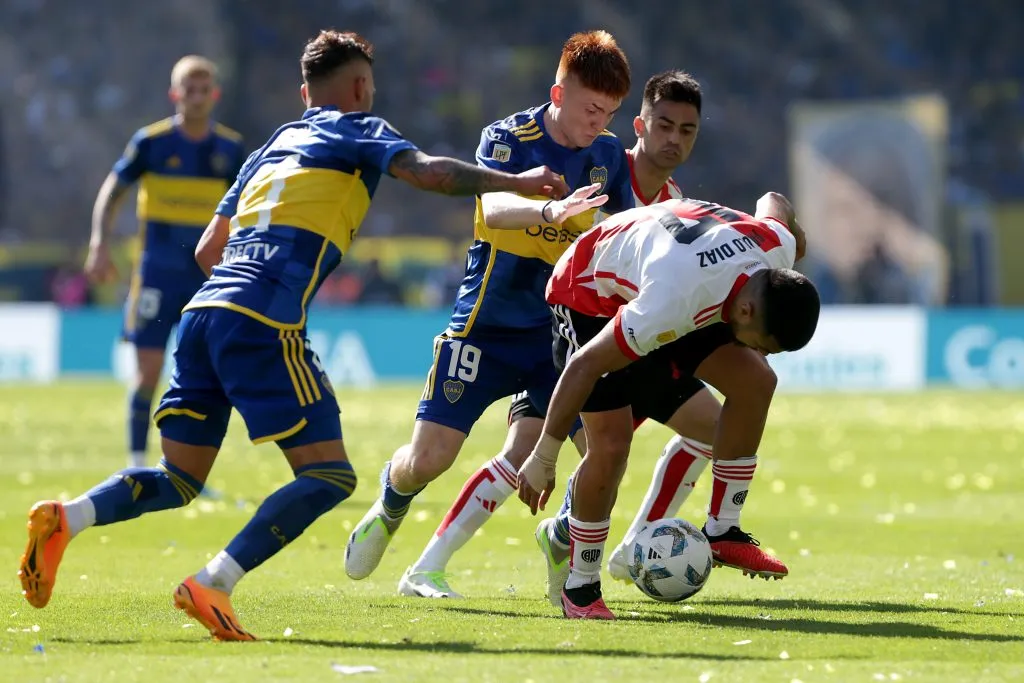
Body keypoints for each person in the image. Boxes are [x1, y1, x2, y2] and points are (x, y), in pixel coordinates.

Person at [17, 30, 567, 642]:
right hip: (262, 317)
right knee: (330, 475)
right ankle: (213, 582)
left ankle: (68, 515)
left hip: (203, 312)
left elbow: (207, 249)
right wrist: (518, 183)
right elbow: (431, 174)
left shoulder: (275, 144)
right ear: (361, 88)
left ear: (306, 92)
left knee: (178, 477)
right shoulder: (359, 127)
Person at [395, 69, 729, 601]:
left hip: (615, 341)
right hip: (559, 331)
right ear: (638, 128)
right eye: (664, 126)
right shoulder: (599, 163)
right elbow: (510, 212)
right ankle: (436, 565)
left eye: (686, 131)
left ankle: (588, 542)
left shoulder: (671, 201)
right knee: (532, 452)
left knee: (671, 438)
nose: (673, 140)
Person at [343, 30, 634, 597]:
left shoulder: (607, 158)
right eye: (590, 109)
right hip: (487, 325)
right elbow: (494, 208)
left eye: (609, 112)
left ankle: (561, 543)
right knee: (429, 460)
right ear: (558, 93)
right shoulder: (508, 137)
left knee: (602, 454)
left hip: (556, 335)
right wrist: (553, 208)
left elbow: (619, 230)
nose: (598, 122)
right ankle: (391, 500)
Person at [517, 193, 818, 619]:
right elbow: (584, 365)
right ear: (748, 310)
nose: (762, 352)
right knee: (611, 446)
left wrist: (798, 236)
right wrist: (543, 456)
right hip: (589, 297)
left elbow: (774, 201)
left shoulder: (775, 245)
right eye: (764, 344)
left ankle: (721, 529)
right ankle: (580, 587)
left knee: (755, 379)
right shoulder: (669, 301)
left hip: (672, 280)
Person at [85, 56, 247, 470]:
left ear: (215, 94)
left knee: (203, 380)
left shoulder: (230, 150)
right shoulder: (151, 143)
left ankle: (184, 468)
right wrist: (100, 242)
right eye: (187, 88)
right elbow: (113, 190)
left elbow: (246, 210)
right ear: (174, 94)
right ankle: (137, 463)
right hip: (156, 277)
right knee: (148, 374)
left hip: (206, 281)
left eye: (203, 88)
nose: (195, 96)